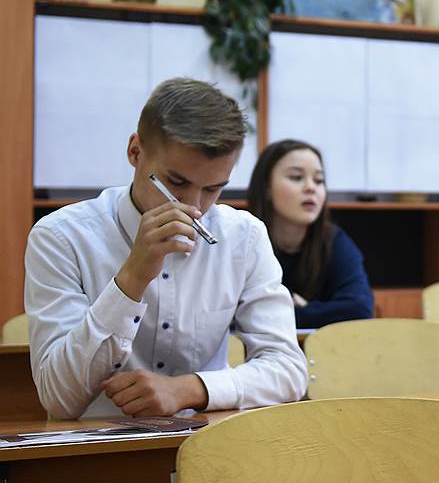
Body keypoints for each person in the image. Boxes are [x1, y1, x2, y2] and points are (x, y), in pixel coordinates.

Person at [24, 78, 308, 419]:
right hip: (98, 443)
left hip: (208, 441)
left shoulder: (243, 236)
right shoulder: (60, 237)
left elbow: (289, 370)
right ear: (135, 152)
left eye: (213, 188)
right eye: (176, 182)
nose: (194, 206)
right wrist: (131, 278)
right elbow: (59, 399)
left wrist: (190, 389)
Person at [247, 139, 373, 329]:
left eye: (319, 180)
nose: (311, 188)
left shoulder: (333, 240)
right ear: (266, 188)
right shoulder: (244, 240)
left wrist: (291, 310)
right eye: (296, 177)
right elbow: (235, 315)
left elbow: (359, 310)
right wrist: (316, 311)